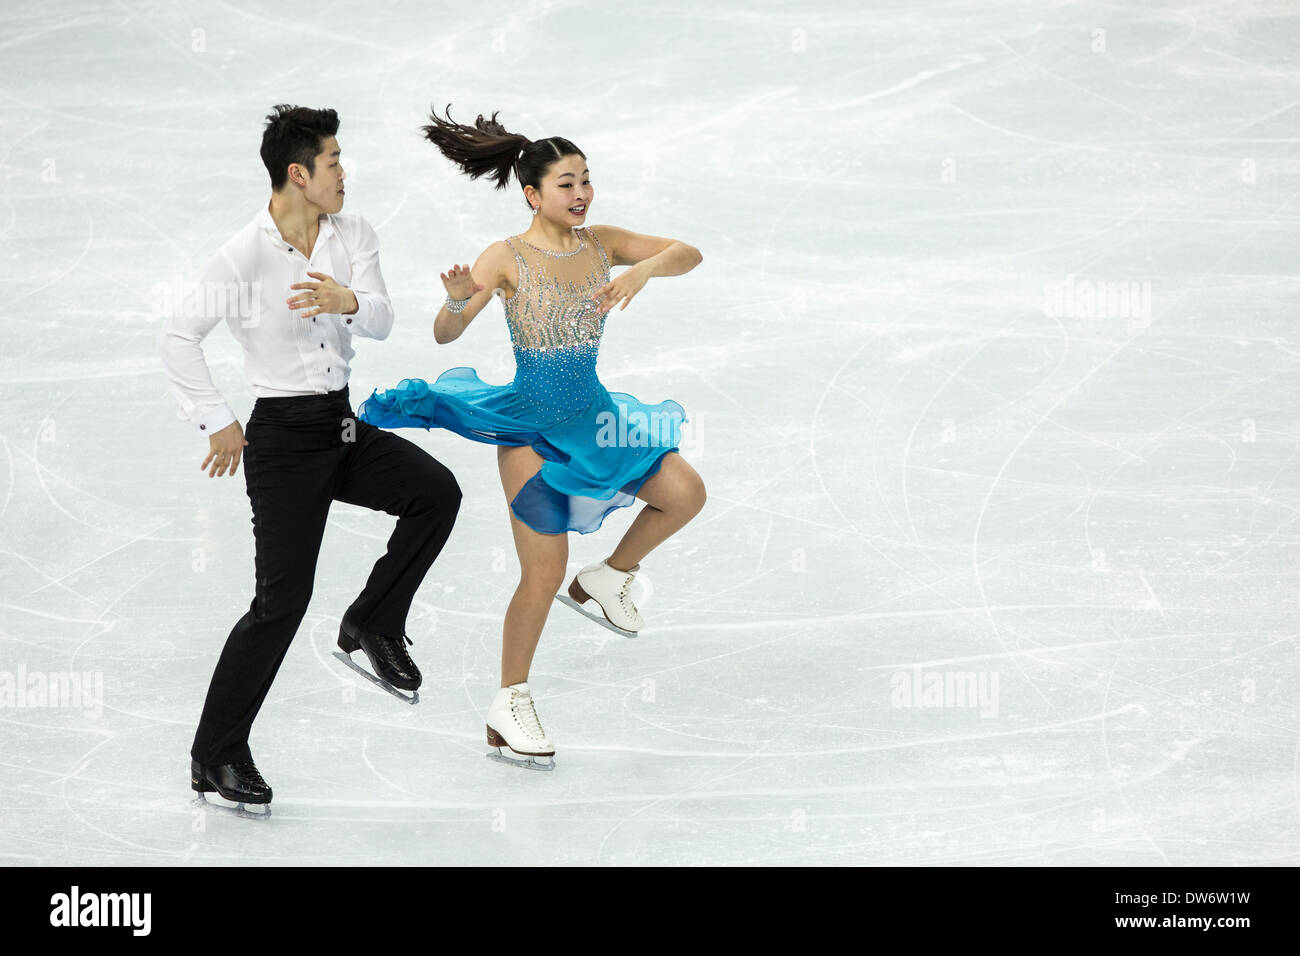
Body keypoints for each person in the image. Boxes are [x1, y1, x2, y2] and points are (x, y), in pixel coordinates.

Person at [357, 106, 706, 770]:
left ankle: (609, 577)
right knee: (542, 570)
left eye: (585, 180)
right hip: (527, 427)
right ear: (532, 194)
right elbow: (444, 333)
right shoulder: (507, 257)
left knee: (684, 492)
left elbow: (688, 252)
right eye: (566, 184)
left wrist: (644, 270)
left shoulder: (601, 242)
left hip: (592, 412)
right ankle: (508, 702)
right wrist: (460, 300)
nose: (580, 195)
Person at [158, 105, 462, 811]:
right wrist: (217, 422)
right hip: (283, 444)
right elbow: (178, 336)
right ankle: (215, 754)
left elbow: (383, 316)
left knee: (435, 492)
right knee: (280, 605)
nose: (342, 172)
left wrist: (346, 296)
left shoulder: (353, 233)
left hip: (340, 426)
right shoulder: (244, 254)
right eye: (332, 161)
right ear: (298, 174)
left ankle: (373, 622)